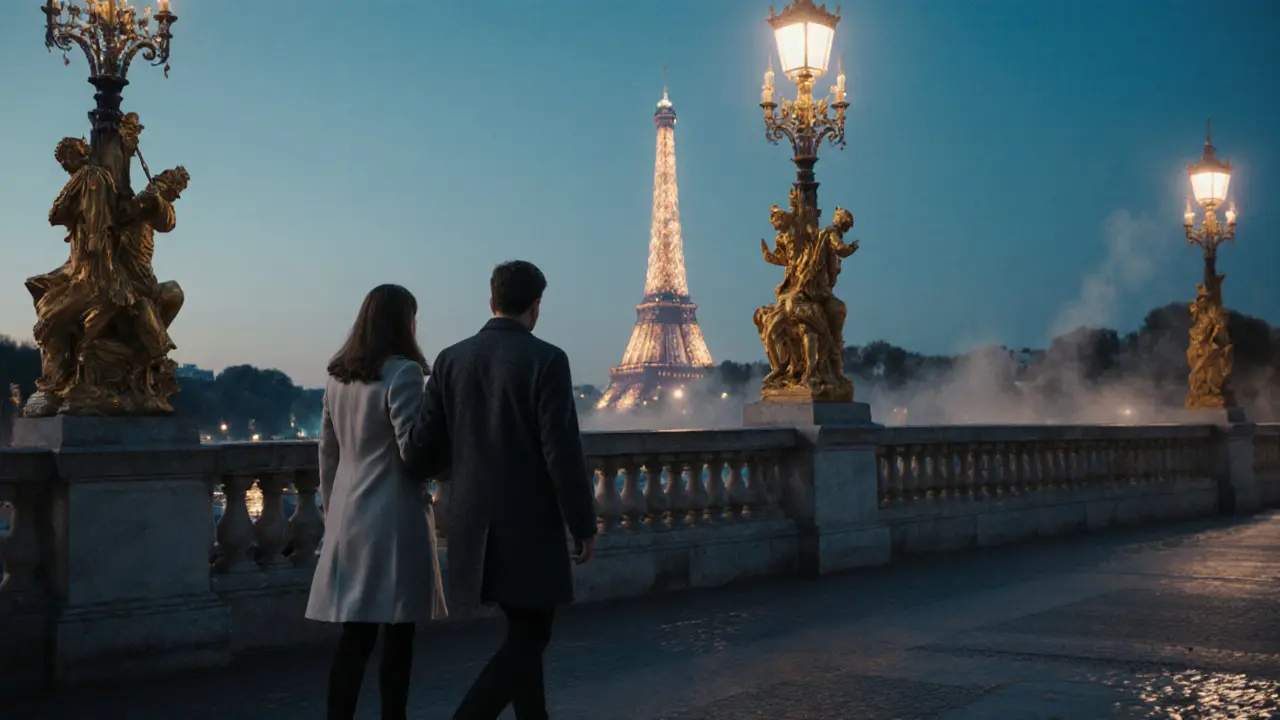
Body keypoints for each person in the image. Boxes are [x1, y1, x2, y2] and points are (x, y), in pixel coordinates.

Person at [413, 260, 597, 720]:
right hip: (530, 526)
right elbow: (563, 453)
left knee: (523, 634)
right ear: (536, 307)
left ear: (492, 302)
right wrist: (583, 523)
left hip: (473, 523)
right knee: (532, 637)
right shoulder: (547, 360)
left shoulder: (450, 359)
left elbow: (421, 453)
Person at [306, 283, 447, 720]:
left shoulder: (337, 377)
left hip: (350, 516)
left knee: (356, 635)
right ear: (404, 322)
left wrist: (334, 517)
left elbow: (327, 456)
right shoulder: (404, 373)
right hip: (394, 517)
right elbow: (412, 451)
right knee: (399, 633)